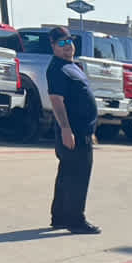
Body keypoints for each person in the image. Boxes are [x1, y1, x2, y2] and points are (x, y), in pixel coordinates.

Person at [45, 28, 99, 235]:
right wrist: (66, 129)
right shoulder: (57, 69)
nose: (67, 45)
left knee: (67, 173)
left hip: (83, 130)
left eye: (69, 41)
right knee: (77, 176)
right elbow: (57, 101)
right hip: (72, 131)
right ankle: (76, 220)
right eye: (61, 43)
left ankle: (59, 217)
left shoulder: (73, 66)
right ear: (53, 46)